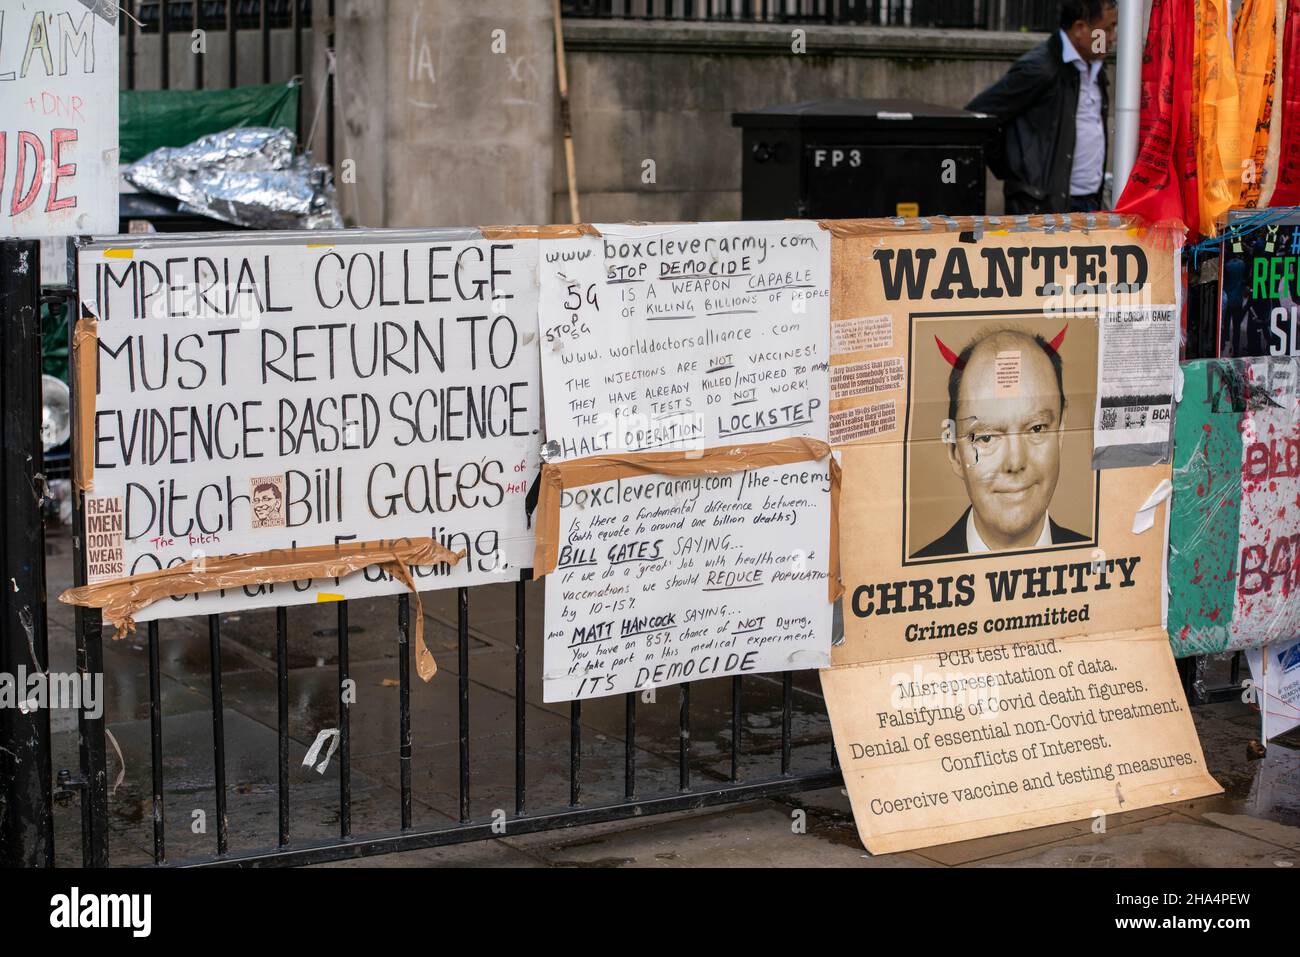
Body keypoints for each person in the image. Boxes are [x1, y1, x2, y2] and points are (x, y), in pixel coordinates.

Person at [913, 326, 1089, 557]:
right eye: (986, 438)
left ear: (1062, 430)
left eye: (1036, 428)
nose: (1015, 462)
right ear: (954, 450)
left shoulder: (1108, 566)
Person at [966, 0, 1118, 215]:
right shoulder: (1040, 68)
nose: (1113, 37)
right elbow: (978, 116)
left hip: (1088, 202)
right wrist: (1015, 169)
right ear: (1080, 29)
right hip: (1042, 208)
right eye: (1107, 29)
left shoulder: (1094, 67)